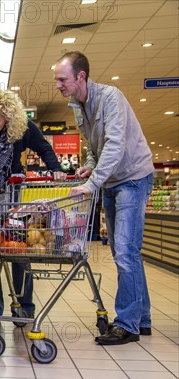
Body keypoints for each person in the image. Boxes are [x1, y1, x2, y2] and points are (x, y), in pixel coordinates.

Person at [54, 51, 155, 345]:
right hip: (111, 181)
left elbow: (115, 145)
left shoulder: (111, 98)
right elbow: (96, 148)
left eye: (62, 79)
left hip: (133, 179)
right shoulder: (77, 106)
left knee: (125, 251)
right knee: (124, 252)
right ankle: (141, 318)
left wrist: (92, 183)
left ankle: (127, 325)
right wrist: (90, 166)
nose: (58, 85)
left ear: (81, 76)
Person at [0, 89, 64, 327]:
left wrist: (56, 168)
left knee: (18, 251)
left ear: (8, 119)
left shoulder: (23, 129)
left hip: (12, 192)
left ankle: (24, 309)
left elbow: (44, 148)